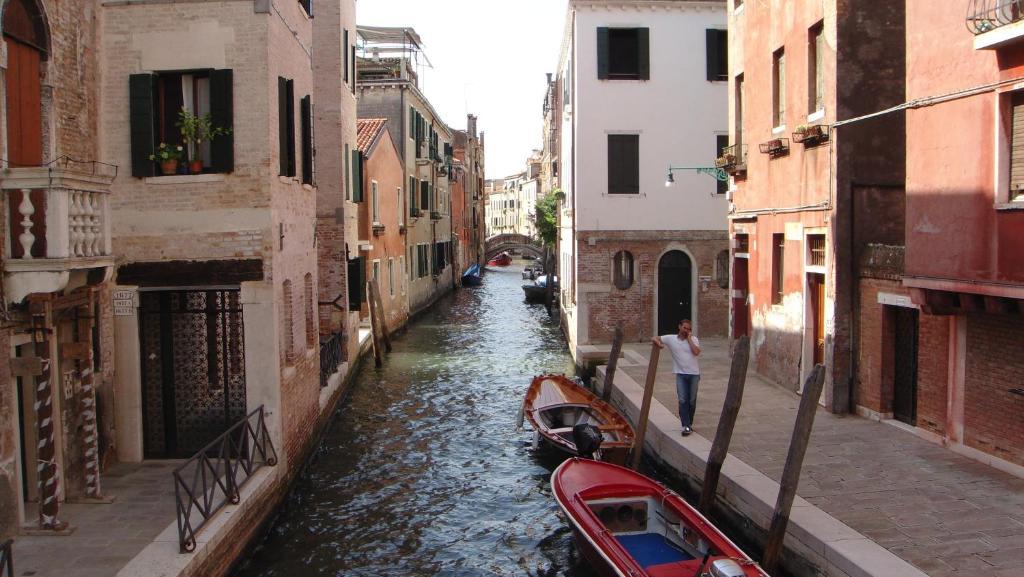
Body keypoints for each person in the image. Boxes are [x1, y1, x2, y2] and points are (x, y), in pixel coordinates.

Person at [652, 319, 701, 436]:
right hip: (680, 374)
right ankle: (686, 425)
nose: (686, 330)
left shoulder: (694, 339)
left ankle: (689, 423)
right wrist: (659, 344)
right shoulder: (671, 339)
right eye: (684, 328)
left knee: (692, 401)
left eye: (689, 329)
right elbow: (655, 338)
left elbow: (696, 352)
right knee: (683, 399)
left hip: (694, 374)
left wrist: (689, 339)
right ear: (679, 327)